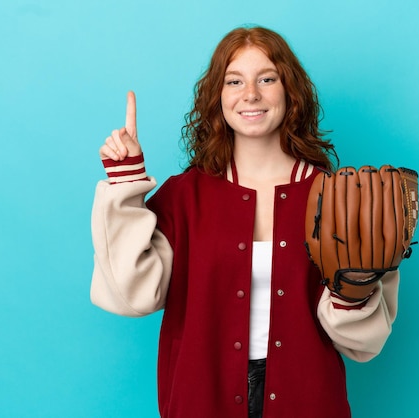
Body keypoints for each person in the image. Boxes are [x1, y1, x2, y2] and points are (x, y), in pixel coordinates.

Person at [90, 26, 399, 418]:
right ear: (218, 96)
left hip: (307, 399)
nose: (250, 93)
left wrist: (354, 291)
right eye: (234, 80)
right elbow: (132, 296)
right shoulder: (187, 195)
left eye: (266, 78)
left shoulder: (336, 197)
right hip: (201, 397)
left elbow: (363, 343)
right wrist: (127, 181)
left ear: (290, 91)